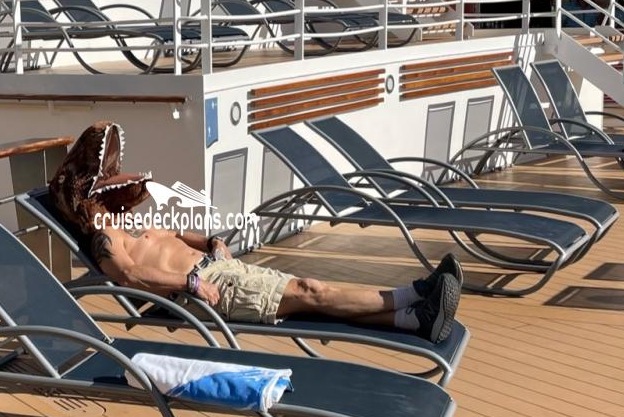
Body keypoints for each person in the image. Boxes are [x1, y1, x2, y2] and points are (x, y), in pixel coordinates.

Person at [47, 122, 462, 344]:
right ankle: (413, 295)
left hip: (221, 270)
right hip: (207, 290)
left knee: (311, 302)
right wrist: (190, 283)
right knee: (311, 291)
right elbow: (129, 276)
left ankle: (414, 318)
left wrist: (210, 242)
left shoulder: (130, 225)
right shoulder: (104, 238)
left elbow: (179, 236)